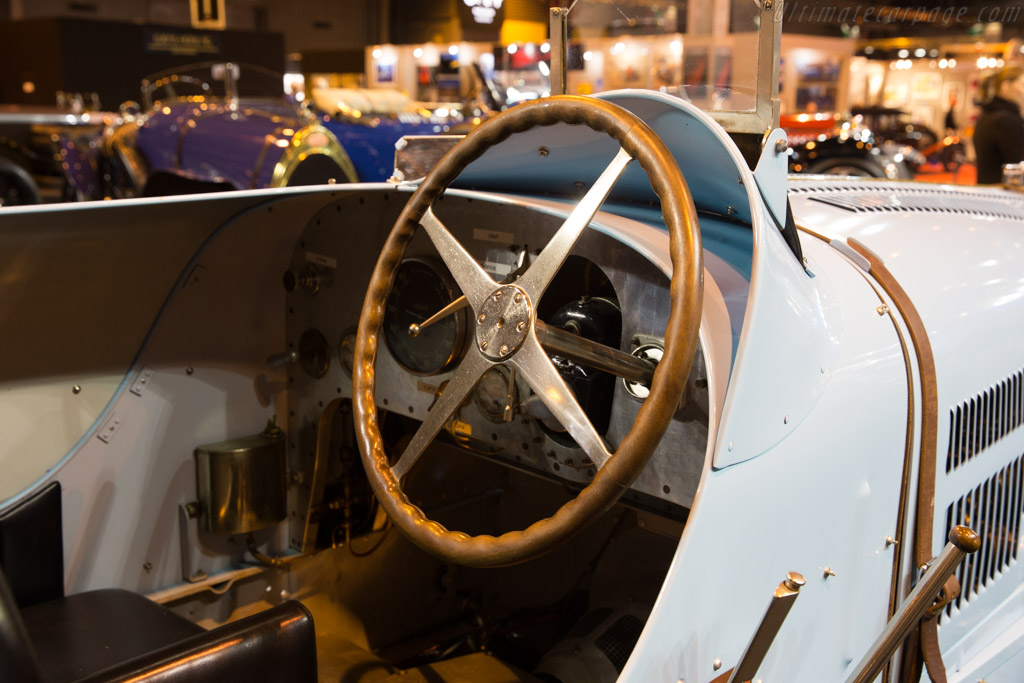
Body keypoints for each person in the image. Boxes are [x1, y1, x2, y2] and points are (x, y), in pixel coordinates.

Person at [973, 64, 1024, 183]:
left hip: (989, 193)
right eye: (1022, 84)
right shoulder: (1006, 120)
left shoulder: (988, 116)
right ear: (1006, 86)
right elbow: (1017, 165)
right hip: (1004, 196)